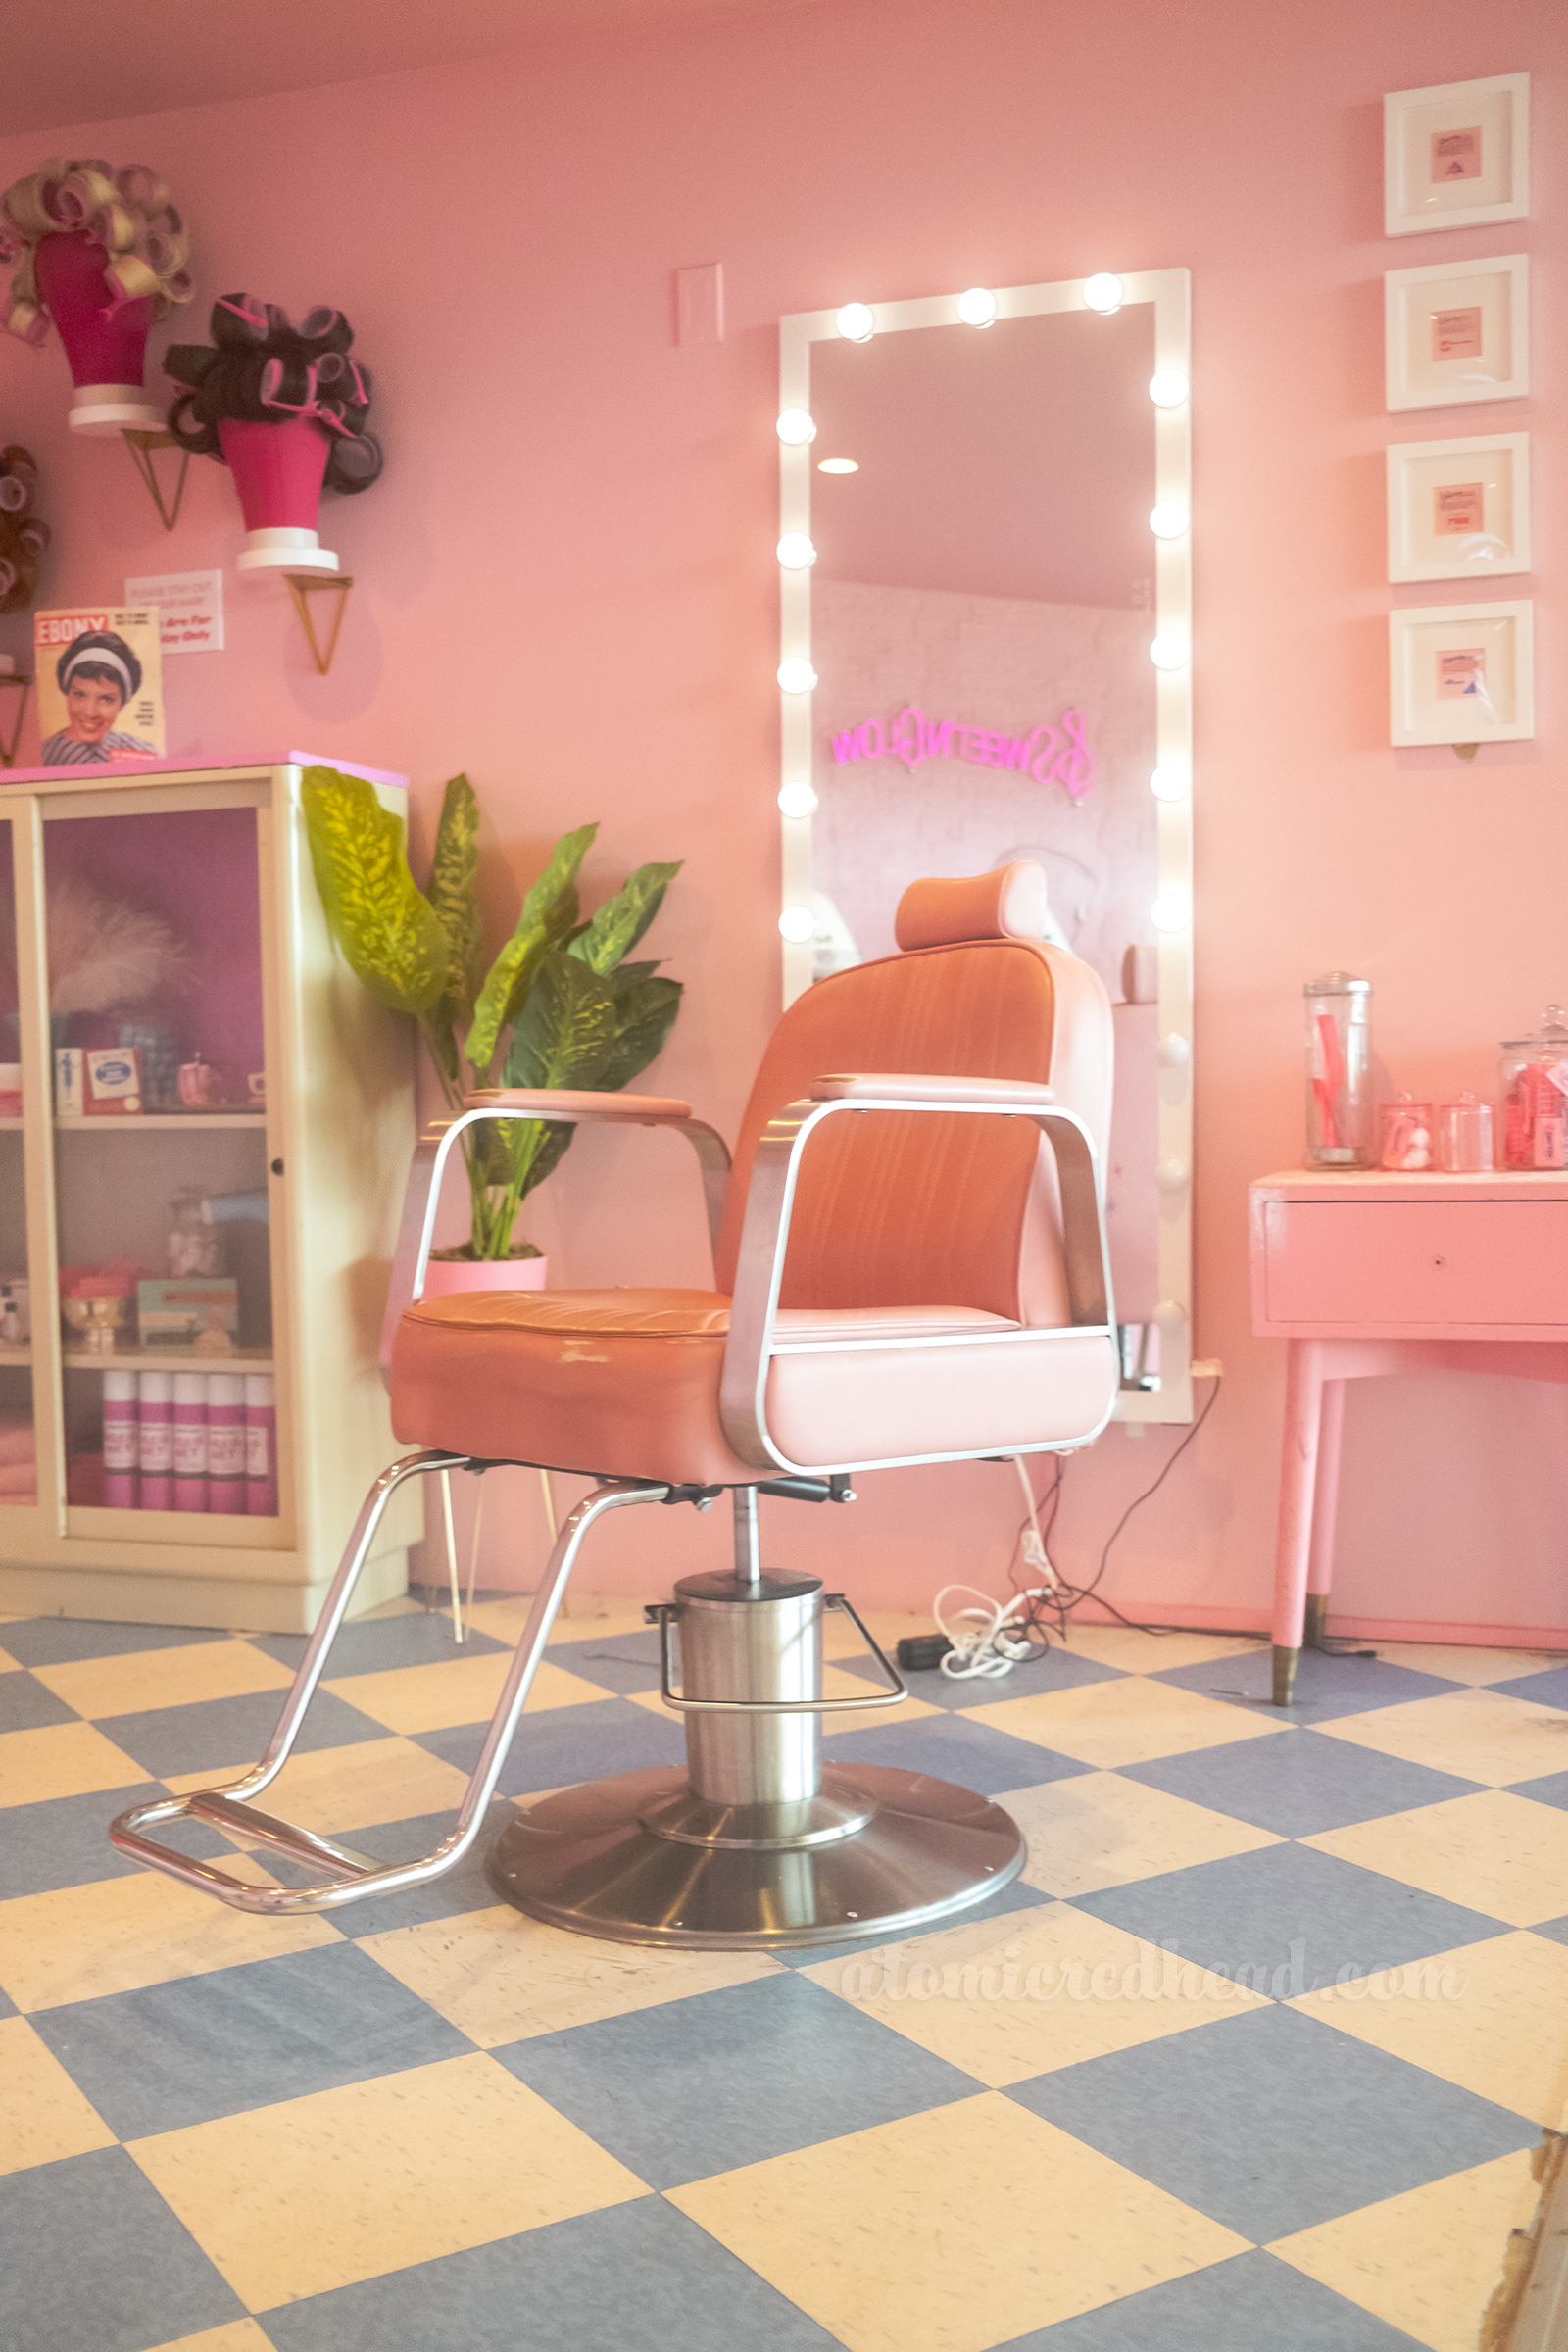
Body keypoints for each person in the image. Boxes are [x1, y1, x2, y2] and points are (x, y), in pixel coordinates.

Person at [40, 631, 155, 764]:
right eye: (79, 694)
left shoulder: (141, 752)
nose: (90, 712)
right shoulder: (44, 754)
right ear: (67, 693)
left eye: (106, 699)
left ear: (122, 703)